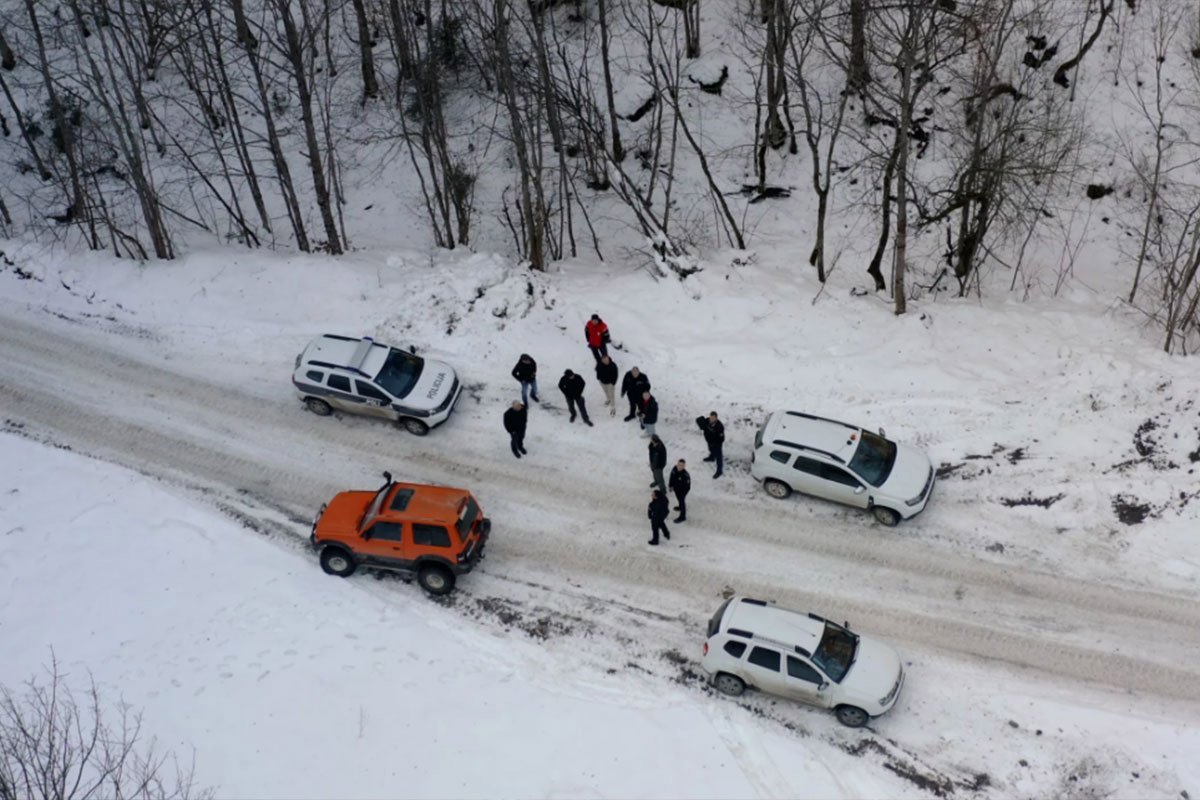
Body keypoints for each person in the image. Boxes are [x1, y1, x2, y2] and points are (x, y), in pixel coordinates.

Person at [697, 411, 725, 478]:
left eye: (713, 418)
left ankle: (719, 471)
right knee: (710, 449)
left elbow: (722, 438)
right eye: (710, 417)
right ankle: (712, 457)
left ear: (716, 418)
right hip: (709, 441)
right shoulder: (707, 421)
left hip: (717, 444)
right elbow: (699, 421)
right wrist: (701, 423)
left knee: (719, 457)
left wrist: (715, 443)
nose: (711, 419)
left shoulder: (719, 426)